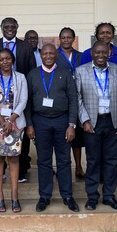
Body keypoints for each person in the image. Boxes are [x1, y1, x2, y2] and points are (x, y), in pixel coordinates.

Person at [26, 43, 80, 213]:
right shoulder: (33, 74)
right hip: (40, 122)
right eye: (45, 54)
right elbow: (27, 102)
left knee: (64, 160)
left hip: (62, 121)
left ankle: (67, 196)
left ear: (56, 55)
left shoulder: (65, 73)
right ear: (40, 55)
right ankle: (44, 196)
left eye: (51, 53)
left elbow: (73, 100)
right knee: (43, 160)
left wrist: (71, 125)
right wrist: (29, 124)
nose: (48, 56)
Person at [75, 40, 117, 211]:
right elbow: (77, 99)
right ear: (92, 53)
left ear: (109, 53)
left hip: (111, 121)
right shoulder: (81, 71)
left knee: (112, 161)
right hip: (92, 123)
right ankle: (92, 197)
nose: (100, 55)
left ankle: (109, 196)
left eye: (104, 52)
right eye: (97, 52)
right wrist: (85, 121)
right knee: (93, 161)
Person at [0, 17, 36, 183]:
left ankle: (20, 170)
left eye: (13, 26)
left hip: (19, 99)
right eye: (6, 26)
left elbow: (32, 70)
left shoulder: (26, 46)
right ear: (1, 28)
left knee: (20, 137)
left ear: (17, 27)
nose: (9, 28)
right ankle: (1, 171)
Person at [0, 48, 28, 213]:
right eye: (1, 59)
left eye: (8, 58)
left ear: (13, 60)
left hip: (15, 124)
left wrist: (11, 120)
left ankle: (15, 197)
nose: (5, 61)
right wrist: (3, 121)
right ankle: (0, 197)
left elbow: (23, 100)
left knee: (14, 160)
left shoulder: (21, 78)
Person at [55, 27, 85, 180]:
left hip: (79, 97)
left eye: (69, 37)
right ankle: (62, 167)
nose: (66, 40)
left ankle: (79, 166)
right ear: (59, 39)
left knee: (77, 136)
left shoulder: (81, 56)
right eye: (63, 37)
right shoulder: (54, 56)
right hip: (62, 99)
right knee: (63, 136)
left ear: (74, 39)